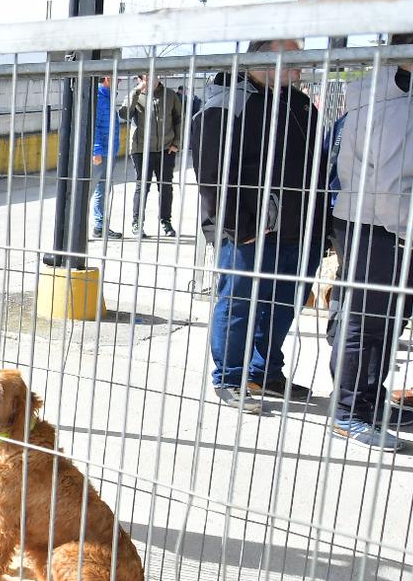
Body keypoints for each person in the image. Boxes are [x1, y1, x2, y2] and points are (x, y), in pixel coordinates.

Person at [325, 31, 413, 449]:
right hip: (384, 228)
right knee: (366, 323)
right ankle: (350, 413)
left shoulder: (394, 96)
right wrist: (412, 233)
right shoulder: (397, 105)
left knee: (382, 322)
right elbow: (396, 180)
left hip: (378, 225)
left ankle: (369, 402)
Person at [190, 39, 323, 415]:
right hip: (250, 230)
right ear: (262, 56)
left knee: (284, 301)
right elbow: (213, 172)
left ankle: (263, 372)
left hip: (299, 226)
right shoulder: (229, 100)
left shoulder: (295, 103)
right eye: (292, 57)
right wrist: (239, 225)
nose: (300, 66)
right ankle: (230, 377)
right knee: (239, 301)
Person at [119, 71, 185, 238]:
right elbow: (124, 114)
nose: (150, 80)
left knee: (165, 187)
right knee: (142, 187)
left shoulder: (170, 96)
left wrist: (177, 143)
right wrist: (137, 91)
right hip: (141, 150)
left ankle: (166, 222)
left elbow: (180, 119)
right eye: (146, 77)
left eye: (153, 76)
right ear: (139, 79)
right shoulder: (136, 95)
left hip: (166, 149)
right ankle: (137, 223)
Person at [90, 74, 122, 239]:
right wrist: (96, 151)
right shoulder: (98, 98)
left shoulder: (108, 97)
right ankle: (75, 229)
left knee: (102, 189)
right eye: (118, 79)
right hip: (101, 153)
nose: (120, 82)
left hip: (110, 151)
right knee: (89, 190)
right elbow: (93, 126)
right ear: (108, 78)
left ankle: (100, 226)